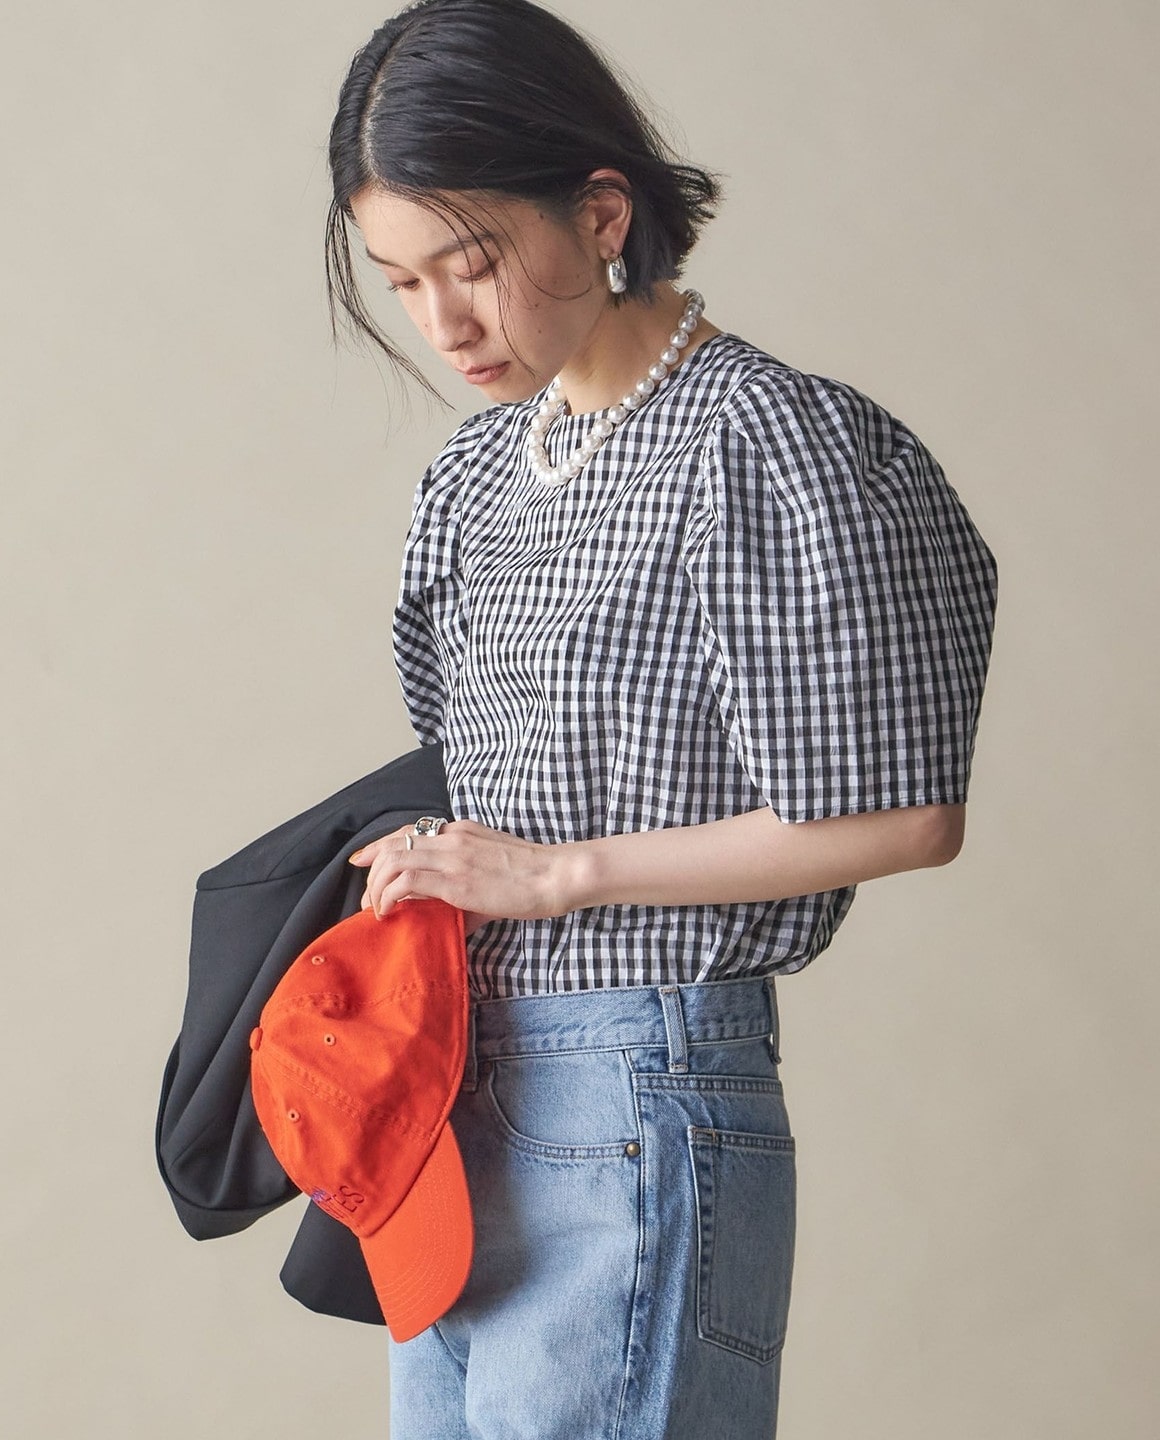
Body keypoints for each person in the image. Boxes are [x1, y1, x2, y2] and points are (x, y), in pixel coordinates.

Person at [323, 1, 998, 1435]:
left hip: (637, 1079)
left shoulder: (766, 444)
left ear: (603, 213)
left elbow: (904, 815)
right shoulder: (478, 474)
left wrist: (561, 874)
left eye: (475, 264)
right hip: (456, 1089)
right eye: (402, 282)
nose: (444, 323)